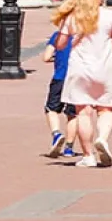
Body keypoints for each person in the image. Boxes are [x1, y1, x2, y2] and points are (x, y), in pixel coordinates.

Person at [54, 0, 112, 169]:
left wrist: (73, 38)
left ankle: (88, 155)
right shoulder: (111, 16)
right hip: (104, 69)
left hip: (79, 70)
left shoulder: (73, 17)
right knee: (106, 109)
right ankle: (103, 139)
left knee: (83, 112)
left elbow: (60, 44)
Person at [41, 26, 79, 159]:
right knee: (72, 114)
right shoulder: (83, 36)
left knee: (51, 109)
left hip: (59, 78)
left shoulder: (57, 36)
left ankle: (56, 133)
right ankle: (69, 148)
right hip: (77, 79)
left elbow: (46, 57)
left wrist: (56, 58)